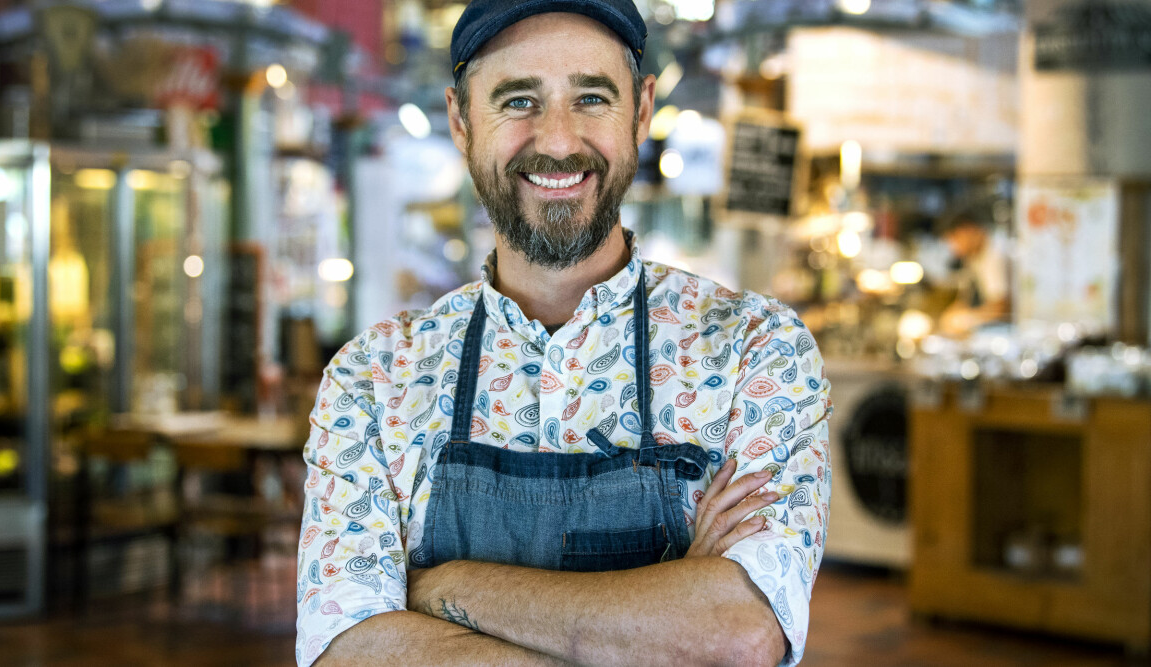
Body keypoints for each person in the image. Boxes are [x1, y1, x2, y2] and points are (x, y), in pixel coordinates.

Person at [296, 2, 832, 665]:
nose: (557, 139)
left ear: (639, 112)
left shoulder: (756, 349)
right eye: (519, 100)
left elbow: (737, 633)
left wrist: (441, 589)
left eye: (591, 98)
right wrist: (657, 626)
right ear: (462, 123)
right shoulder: (373, 378)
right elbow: (346, 647)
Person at [936, 205, 1011, 336]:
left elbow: (1000, 308)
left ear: (968, 230)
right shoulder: (973, 257)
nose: (954, 249)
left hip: (1010, 329)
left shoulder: (996, 252)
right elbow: (965, 298)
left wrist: (966, 319)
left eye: (954, 240)